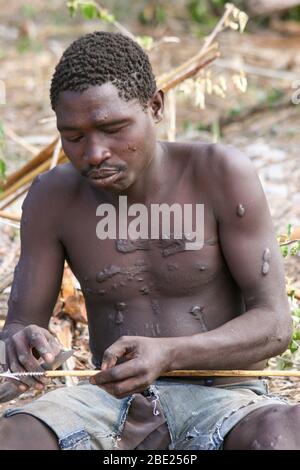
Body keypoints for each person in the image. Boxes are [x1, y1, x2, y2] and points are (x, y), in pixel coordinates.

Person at [0, 31, 298, 450]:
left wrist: (170, 353)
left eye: (112, 128)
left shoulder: (219, 173)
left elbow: (275, 326)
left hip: (226, 400)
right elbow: (19, 326)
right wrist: (19, 348)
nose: (95, 152)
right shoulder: (53, 196)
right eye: (74, 136)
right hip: (106, 402)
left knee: (286, 434)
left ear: (155, 106)